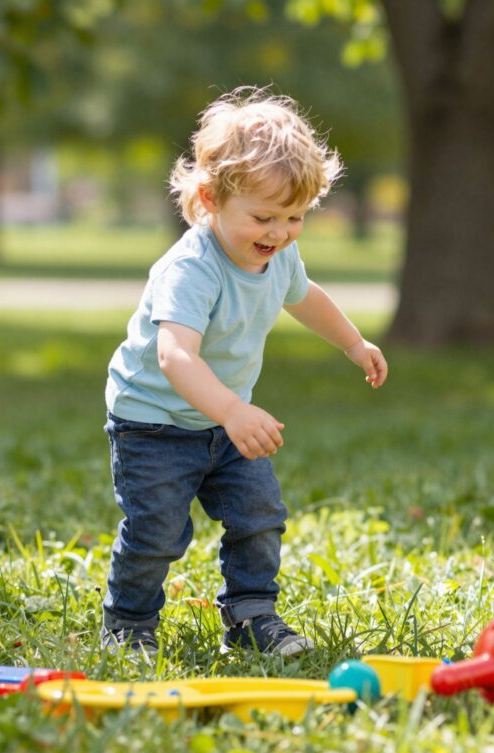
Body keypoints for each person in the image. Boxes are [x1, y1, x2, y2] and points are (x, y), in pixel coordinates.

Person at [102, 87, 388, 660]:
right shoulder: (191, 269)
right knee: (157, 532)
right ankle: (128, 625)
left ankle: (253, 615)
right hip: (154, 423)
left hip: (226, 426)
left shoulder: (276, 255)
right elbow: (174, 356)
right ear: (210, 199)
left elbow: (304, 298)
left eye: (295, 217)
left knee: (258, 515)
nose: (279, 232)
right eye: (263, 216)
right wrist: (231, 409)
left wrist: (354, 343)